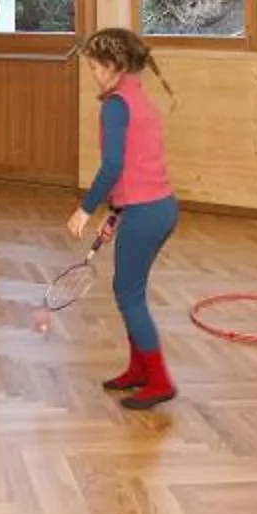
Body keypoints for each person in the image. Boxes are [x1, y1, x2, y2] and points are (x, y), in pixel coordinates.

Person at [72, 27, 180, 411]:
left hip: (146, 212)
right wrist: (116, 213)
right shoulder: (138, 98)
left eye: (95, 66)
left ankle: (159, 380)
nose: (92, 73)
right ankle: (139, 370)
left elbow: (114, 166)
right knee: (130, 290)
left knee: (128, 294)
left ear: (113, 66)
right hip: (158, 207)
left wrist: (86, 208)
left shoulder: (116, 105)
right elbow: (138, 166)